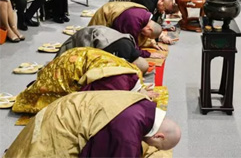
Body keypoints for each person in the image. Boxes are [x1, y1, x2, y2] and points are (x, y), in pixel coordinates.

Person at [5, 91, 181, 158]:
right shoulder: (128, 133)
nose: (154, 147)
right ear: (159, 135)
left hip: (67, 106)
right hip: (59, 126)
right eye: (159, 146)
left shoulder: (144, 103)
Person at [11, 47, 145, 114]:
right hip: (69, 67)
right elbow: (87, 98)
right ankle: (33, 90)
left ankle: (36, 84)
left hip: (77, 57)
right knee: (64, 103)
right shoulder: (118, 84)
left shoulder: (133, 72)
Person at [56, 25, 149, 73]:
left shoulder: (131, 47)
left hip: (99, 33)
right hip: (83, 38)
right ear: (134, 66)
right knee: (63, 66)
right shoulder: (117, 55)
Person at [88, 1, 165, 58]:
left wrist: (151, 43)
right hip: (105, 15)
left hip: (116, 8)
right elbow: (131, 48)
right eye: (148, 36)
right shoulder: (133, 23)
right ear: (150, 29)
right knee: (96, 46)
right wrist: (149, 54)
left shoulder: (146, 15)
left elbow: (140, 36)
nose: (146, 37)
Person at [110, 0, 174, 21]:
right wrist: (160, 36)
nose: (163, 12)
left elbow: (156, 19)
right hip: (113, 6)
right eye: (164, 9)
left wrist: (165, 27)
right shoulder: (149, 1)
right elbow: (147, 24)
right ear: (162, 1)